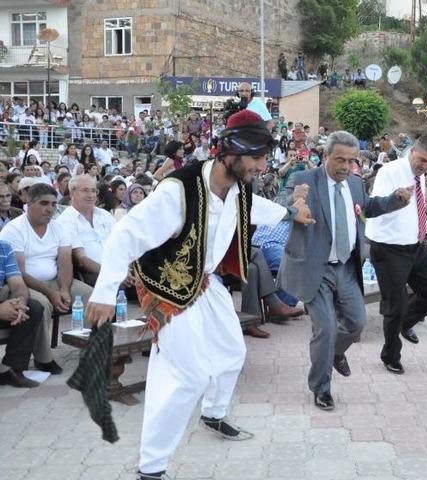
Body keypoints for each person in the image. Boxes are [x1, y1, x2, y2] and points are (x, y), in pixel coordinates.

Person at [84, 110, 312, 480]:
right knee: (184, 375)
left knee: (231, 351)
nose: (262, 165)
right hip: (166, 287)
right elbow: (125, 235)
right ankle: (151, 468)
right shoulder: (179, 190)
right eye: (256, 157)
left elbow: (260, 211)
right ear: (232, 151)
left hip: (203, 282)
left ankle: (213, 414)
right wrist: (105, 291)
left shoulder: (240, 189)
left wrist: (290, 214)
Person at [278, 131, 412, 411]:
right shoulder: (304, 180)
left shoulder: (354, 183)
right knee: (325, 328)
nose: (346, 166)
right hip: (314, 268)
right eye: (340, 159)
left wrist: (396, 200)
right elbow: (279, 204)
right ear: (326, 156)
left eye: (351, 161)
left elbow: (367, 208)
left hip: (347, 267)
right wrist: (293, 205)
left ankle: (336, 352)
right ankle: (321, 388)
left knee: (357, 322)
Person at [366, 135, 427, 374]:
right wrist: (395, 199)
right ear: (412, 151)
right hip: (388, 248)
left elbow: (418, 205)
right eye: (421, 159)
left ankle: (404, 324)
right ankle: (390, 355)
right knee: (395, 305)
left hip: (415, 245)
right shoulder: (389, 172)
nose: (424, 166)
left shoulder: (418, 177)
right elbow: (375, 205)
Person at [0, 183, 93, 375]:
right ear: (29, 204)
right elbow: (18, 272)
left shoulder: (58, 227)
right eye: (44, 203)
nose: (49, 209)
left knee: (90, 295)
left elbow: (65, 262)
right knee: (41, 303)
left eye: (53, 204)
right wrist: (51, 293)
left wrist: (65, 290)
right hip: (23, 284)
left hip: (55, 281)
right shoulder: (14, 230)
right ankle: (44, 358)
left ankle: (90, 348)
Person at [54, 175, 117, 286]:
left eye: (93, 191)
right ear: (72, 193)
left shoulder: (104, 215)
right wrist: (111, 273)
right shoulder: (66, 220)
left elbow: (121, 243)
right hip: (95, 273)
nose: (91, 195)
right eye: (85, 190)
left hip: (118, 268)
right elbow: (81, 259)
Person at [0, 239, 44, 388]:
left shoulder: (4, 247)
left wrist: (19, 306)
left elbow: (18, 285)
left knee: (33, 308)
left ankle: (12, 370)